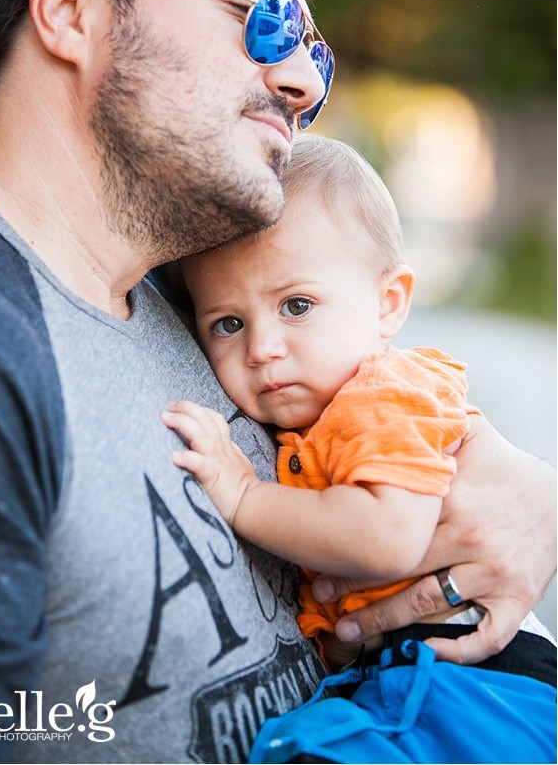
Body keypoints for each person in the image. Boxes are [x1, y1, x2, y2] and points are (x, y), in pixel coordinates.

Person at [0, 0, 555, 764]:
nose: (294, 82)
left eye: (312, 54)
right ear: (71, 13)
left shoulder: (184, 287)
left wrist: (527, 488)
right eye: (256, 12)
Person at [163, 133, 557, 683]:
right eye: (228, 323)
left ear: (386, 304)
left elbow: (387, 536)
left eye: (296, 306)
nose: (261, 348)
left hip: (479, 671)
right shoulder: (314, 414)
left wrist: (246, 496)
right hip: (410, 674)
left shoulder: (384, 395)